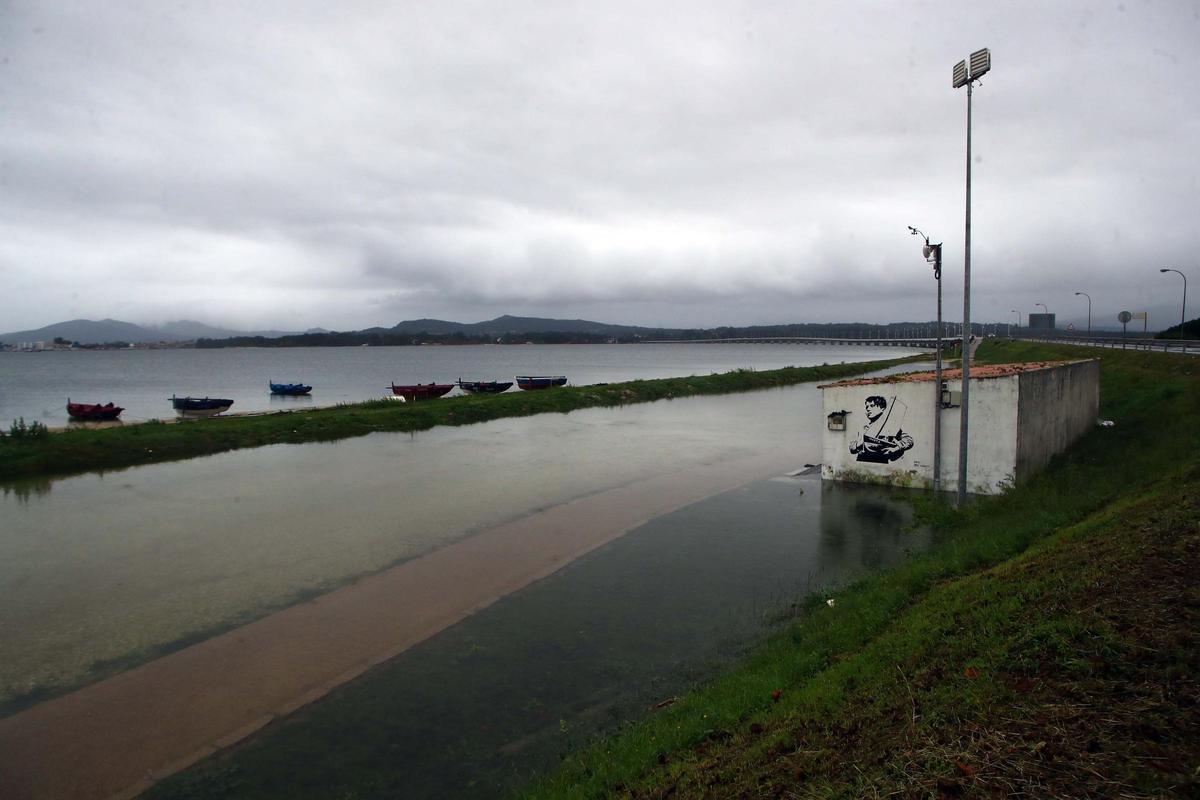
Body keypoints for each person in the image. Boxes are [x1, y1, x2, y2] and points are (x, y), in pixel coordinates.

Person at [849, 395, 914, 463]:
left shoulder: (891, 427)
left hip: (881, 463)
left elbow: (909, 440)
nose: (868, 409)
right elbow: (852, 448)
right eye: (867, 407)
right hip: (862, 462)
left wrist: (898, 447)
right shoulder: (864, 428)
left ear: (882, 409)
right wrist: (857, 445)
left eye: (872, 405)